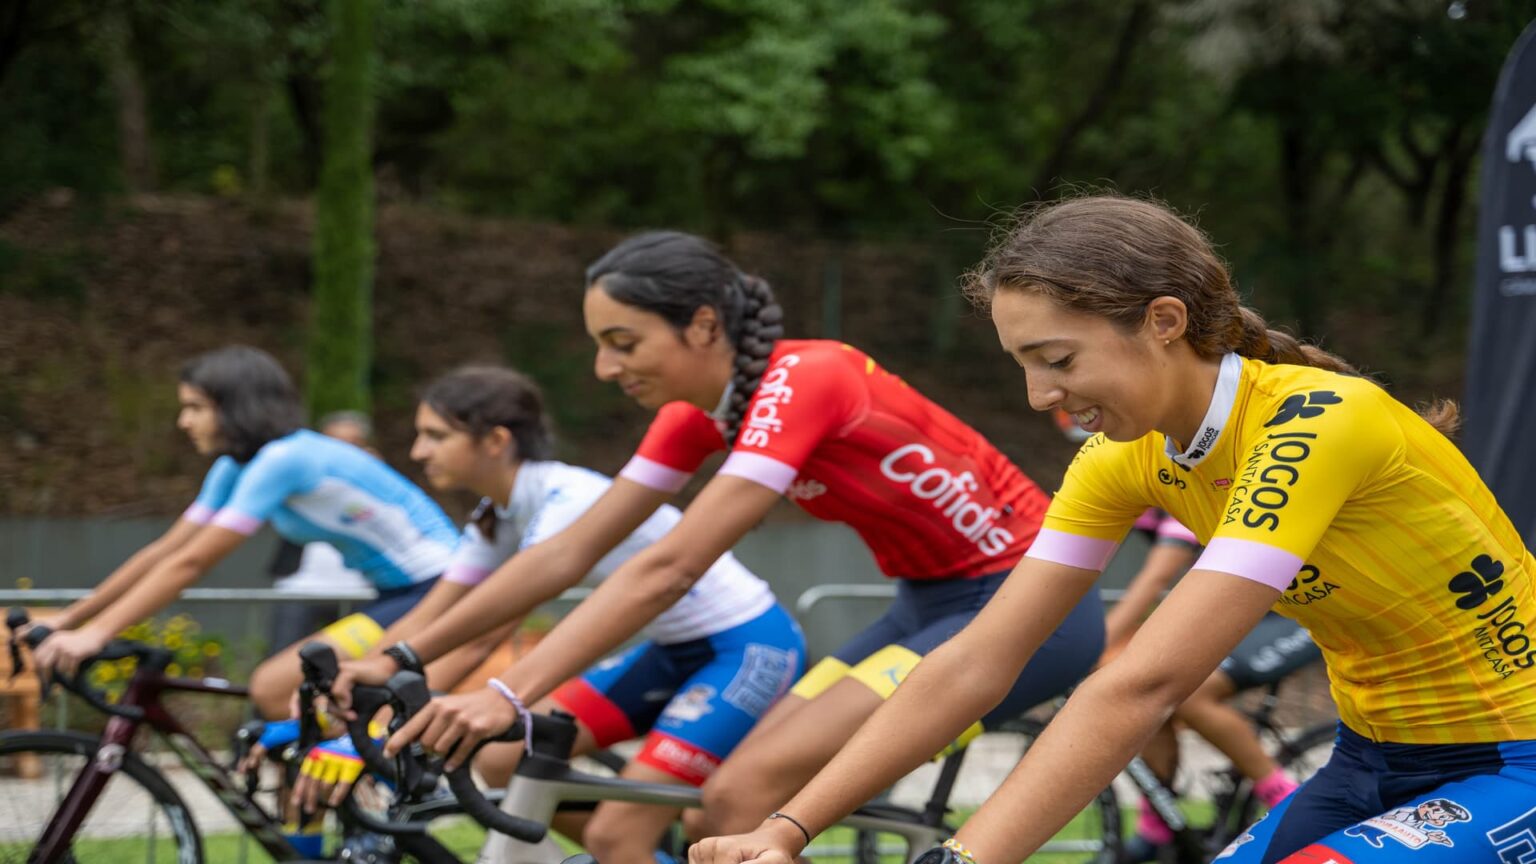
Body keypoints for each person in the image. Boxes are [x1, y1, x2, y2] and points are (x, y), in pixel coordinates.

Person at [689, 195, 1536, 864]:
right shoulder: (1121, 458)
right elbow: (975, 662)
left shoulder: (1319, 422)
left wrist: (963, 856)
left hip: (1516, 754)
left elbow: (1144, 685)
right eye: (1022, 367)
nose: (1039, 397)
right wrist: (789, 828)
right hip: (1371, 757)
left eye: (1057, 361)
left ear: (1163, 322)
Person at [345, 231, 1103, 864]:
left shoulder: (809, 378)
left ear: (704, 325)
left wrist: (508, 693)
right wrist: (401, 656)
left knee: (744, 797)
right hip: (926, 604)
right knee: (720, 812)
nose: (606, 368)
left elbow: (670, 568)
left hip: (1033, 607)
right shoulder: (700, 415)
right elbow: (566, 554)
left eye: (622, 342)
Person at [299, 364, 803, 864]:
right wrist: (365, 686)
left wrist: (378, 726)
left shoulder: (567, 500)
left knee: (614, 833)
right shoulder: (496, 515)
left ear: (495, 440)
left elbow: (480, 638)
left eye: (435, 435)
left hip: (745, 645)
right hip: (673, 650)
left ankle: (625, 846)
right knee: (502, 756)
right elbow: (431, 621)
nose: (418, 451)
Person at [26, 346, 459, 724]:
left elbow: (191, 563)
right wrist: (73, 618)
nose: (183, 421)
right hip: (396, 593)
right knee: (289, 701)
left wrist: (97, 634)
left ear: (234, 408)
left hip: (438, 588)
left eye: (195, 407)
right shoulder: (236, 466)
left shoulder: (285, 459)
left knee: (274, 688)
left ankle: (371, 797)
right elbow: (166, 551)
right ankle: (343, 800)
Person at [1060, 410, 1325, 861]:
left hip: (1290, 613)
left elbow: (1155, 577)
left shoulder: (1183, 466)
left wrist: (1100, 642)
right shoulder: (1131, 466)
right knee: (1141, 686)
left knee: (1190, 695)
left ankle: (1285, 800)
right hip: (1241, 607)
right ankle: (1158, 823)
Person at [266, 410, 378, 653]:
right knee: (283, 658)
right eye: (334, 443)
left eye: (352, 444)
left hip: (360, 590)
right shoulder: (300, 477)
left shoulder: (380, 487)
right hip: (300, 588)